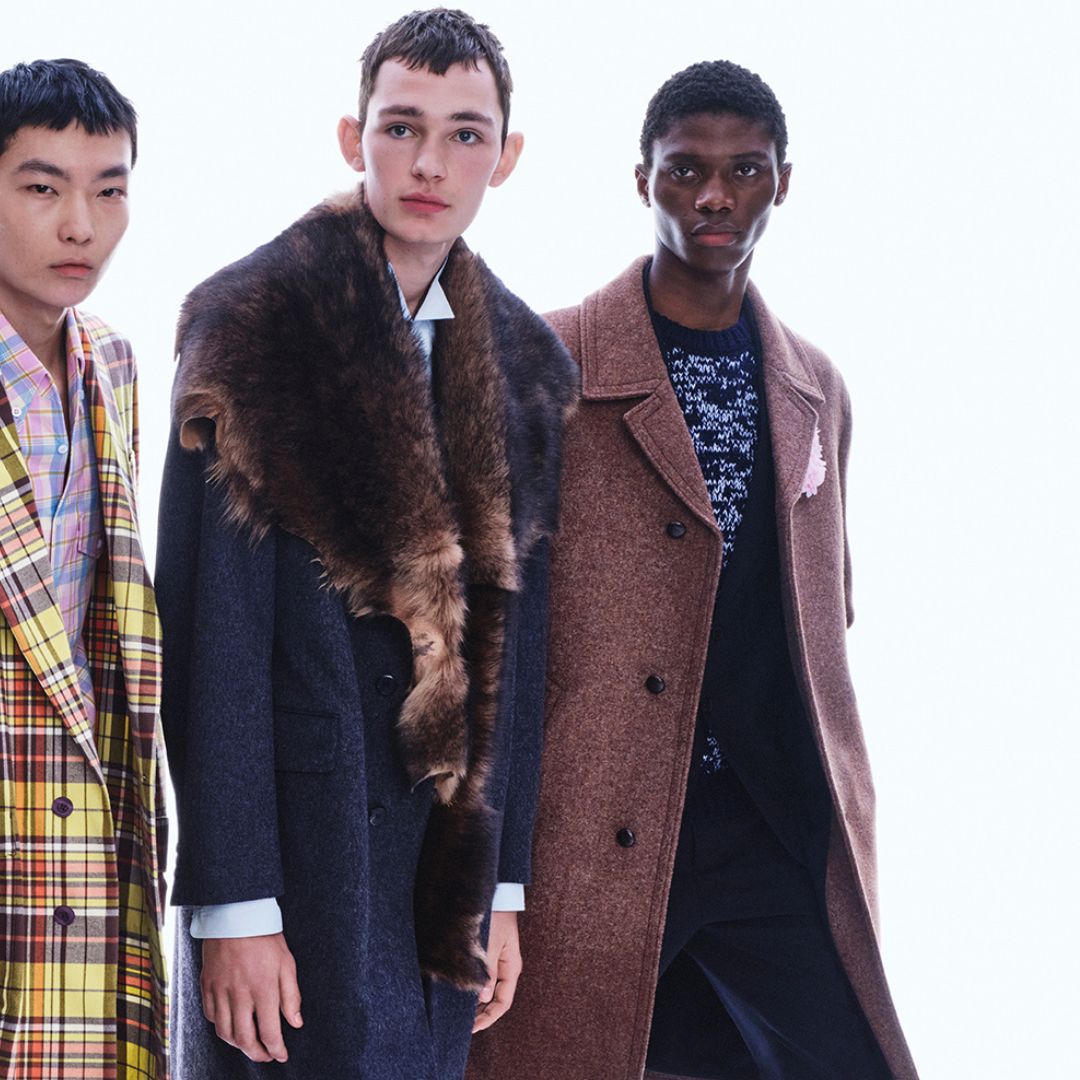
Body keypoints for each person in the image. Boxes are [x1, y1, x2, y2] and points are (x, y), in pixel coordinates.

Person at [467, 60, 918, 1080]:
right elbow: (485, 634)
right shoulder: (542, 362)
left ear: (783, 182)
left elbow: (826, 613)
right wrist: (489, 872)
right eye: (685, 171)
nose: (715, 196)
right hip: (592, 831)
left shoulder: (817, 388)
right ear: (643, 181)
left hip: (771, 828)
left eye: (744, 170)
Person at [155, 8, 576, 1079]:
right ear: (354, 138)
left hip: (442, 880)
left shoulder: (528, 359)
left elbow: (519, 650)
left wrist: (504, 886)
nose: (431, 162)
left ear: (506, 157)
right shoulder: (249, 325)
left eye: (466, 134)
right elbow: (210, 635)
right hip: (301, 860)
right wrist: (233, 906)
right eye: (402, 127)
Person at [0, 58, 167, 1078]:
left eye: (110, 191)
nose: (81, 226)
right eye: (43, 187)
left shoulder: (111, 362)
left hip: (84, 829)